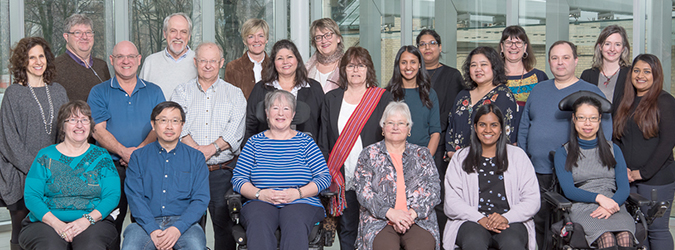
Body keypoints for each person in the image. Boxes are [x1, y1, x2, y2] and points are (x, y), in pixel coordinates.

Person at [517, 40, 612, 250]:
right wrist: (523, 162)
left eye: (565, 57)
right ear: (549, 62)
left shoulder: (590, 91)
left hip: (576, 175)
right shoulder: (539, 89)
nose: (560, 63)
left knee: (572, 229)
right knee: (538, 224)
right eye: (555, 58)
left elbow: (606, 132)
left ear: (576, 61)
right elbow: (524, 127)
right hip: (538, 172)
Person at [88, 40, 166, 249]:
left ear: (139, 60)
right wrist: (124, 152)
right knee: (110, 225)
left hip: (148, 166)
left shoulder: (154, 91)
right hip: (110, 168)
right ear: (112, 60)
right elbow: (97, 129)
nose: (126, 61)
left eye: (131, 56)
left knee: (148, 224)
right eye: (120, 57)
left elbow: (159, 126)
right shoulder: (99, 92)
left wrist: (137, 154)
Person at [232, 90, 331, 250]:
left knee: (294, 220)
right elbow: (238, 179)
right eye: (275, 108)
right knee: (259, 221)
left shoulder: (306, 142)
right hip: (260, 201)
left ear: (293, 114)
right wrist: (260, 194)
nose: (280, 113)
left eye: (286, 108)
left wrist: (298, 193)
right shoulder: (253, 143)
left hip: (302, 201)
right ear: (266, 113)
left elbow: (323, 177)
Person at [171, 42, 246, 250]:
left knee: (225, 229)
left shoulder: (235, 94)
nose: (208, 65)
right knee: (188, 228)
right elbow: (175, 125)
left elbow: (235, 132)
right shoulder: (181, 92)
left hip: (222, 172)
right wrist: (197, 152)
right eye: (203, 60)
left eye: (213, 61)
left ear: (221, 63)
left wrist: (209, 149)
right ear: (195, 62)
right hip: (187, 171)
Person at [19, 101, 120, 250]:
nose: (79, 125)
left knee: (91, 246)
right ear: (62, 126)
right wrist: (56, 224)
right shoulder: (45, 155)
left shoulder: (102, 156)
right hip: (46, 222)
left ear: (90, 126)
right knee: (50, 247)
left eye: (84, 120)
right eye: (73, 120)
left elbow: (112, 195)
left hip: (93, 221)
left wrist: (86, 221)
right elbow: (31, 196)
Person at [318, 46, 391, 250]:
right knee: (348, 231)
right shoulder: (331, 100)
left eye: (361, 65)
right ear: (344, 69)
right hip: (342, 178)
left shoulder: (382, 98)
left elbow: (392, 139)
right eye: (351, 65)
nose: (356, 70)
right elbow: (324, 140)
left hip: (374, 179)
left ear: (369, 69)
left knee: (375, 230)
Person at [0, 37, 69, 250]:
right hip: (20, 173)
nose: (37, 61)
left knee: (52, 229)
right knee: (21, 230)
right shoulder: (14, 93)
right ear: (23, 62)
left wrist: (56, 167)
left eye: (41, 56)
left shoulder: (58, 90)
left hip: (53, 171)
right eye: (31, 57)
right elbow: (9, 140)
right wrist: (37, 169)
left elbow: (64, 133)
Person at [444, 104, 539, 250]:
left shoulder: (518, 156)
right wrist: (479, 218)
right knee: (473, 241)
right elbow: (452, 202)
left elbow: (532, 200)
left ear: (501, 129)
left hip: (510, 221)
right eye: (482, 125)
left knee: (512, 243)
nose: (488, 130)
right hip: (472, 221)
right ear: (475, 128)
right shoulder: (460, 158)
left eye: (494, 125)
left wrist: (507, 217)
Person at [122, 101, 210, 250]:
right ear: (153, 124)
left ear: (182, 125)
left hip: (184, 225)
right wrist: (152, 229)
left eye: (175, 121)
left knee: (195, 247)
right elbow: (135, 197)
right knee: (131, 247)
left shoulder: (196, 158)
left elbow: (201, 199)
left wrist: (177, 229)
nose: (169, 126)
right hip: (146, 224)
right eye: (163, 120)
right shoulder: (138, 157)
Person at [353, 101, 441, 250]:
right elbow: (363, 191)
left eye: (401, 123)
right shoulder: (369, 154)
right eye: (390, 123)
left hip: (418, 220)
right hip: (379, 221)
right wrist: (391, 214)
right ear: (383, 127)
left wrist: (411, 215)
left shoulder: (422, 154)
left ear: (409, 129)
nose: (395, 127)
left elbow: (434, 190)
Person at [554, 94, 635, 250]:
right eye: (582, 118)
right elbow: (569, 190)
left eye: (592, 118)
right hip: (583, 206)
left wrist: (610, 205)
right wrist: (599, 198)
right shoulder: (563, 152)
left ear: (599, 119)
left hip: (613, 204)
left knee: (625, 236)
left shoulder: (614, 149)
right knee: (607, 238)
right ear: (574, 119)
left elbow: (624, 187)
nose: (587, 123)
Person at [613, 54, 675, 250]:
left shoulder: (665, 101)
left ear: (655, 75)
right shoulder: (626, 101)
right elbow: (617, 139)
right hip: (629, 179)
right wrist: (625, 169)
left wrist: (643, 172)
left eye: (647, 71)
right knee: (638, 230)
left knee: (657, 229)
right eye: (637, 70)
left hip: (656, 180)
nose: (641, 76)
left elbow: (668, 143)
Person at [415, 30, 464, 237]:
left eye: (432, 43)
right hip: (413, 142)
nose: (428, 48)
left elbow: (455, 111)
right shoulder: (410, 74)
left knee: (439, 195)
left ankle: (442, 241)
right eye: (423, 44)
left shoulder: (452, 75)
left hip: (441, 143)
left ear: (440, 47)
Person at [245, 39, 324, 143]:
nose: (285, 62)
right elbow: (250, 124)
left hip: (306, 153)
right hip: (267, 153)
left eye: (290, 57)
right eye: (280, 58)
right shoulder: (261, 88)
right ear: (274, 63)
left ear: (297, 60)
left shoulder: (314, 88)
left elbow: (323, 125)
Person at [446, 46, 517, 157]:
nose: (478, 69)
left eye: (483, 64)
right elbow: (451, 125)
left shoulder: (503, 95)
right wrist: (451, 153)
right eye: (473, 65)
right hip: (457, 160)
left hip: (488, 161)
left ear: (494, 67)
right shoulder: (462, 95)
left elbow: (506, 133)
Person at [385, 46, 441, 156]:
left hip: (422, 157)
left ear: (420, 64)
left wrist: (425, 161)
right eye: (404, 62)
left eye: (413, 62)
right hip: (392, 157)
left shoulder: (430, 94)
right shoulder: (387, 94)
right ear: (398, 65)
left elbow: (435, 133)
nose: (408, 67)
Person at [498, 25, 548, 133]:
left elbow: (544, 113)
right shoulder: (492, 77)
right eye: (509, 42)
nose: (513, 47)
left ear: (525, 47)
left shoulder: (539, 77)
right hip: (498, 138)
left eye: (518, 43)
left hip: (530, 136)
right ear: (502, 47)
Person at [139, 13, 198, 100]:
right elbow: (141, 97)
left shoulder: (199, 62)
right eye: (173, 31)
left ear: (189, 36)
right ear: (165, 34)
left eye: (183, 32)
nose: (178, 36)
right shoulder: (150, 62)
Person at [54, 14, 111, 101]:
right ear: (66, 37)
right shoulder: (55, 67)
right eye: (77, 33)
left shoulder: (101, 66)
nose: (84, 37)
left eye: (88, 32)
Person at [581, 25, 631, 111]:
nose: (612, 49)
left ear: (623, 48)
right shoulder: (587, 75)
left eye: (617, 44)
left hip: (621, 124)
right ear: (600, 46)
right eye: (607, 44)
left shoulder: (630, 74)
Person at [224, 18, 270, 99]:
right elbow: (229, 100)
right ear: (245, 41)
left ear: (266, 39)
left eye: (261, 36)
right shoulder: (233, 68)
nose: (256, 40)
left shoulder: (275, 66)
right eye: (251, 36)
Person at [306, 18, 345, 93]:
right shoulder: (306, 70)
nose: (324, 40)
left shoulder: (348, 66)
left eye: (328, 35)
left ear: (338, 38)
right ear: (314, 43)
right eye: (318, 37)